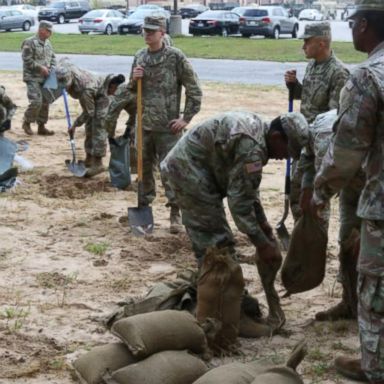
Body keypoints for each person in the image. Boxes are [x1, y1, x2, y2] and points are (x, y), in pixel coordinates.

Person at [161, 111, 309, 328]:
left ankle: (229, 301)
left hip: (204, 173)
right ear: (277, 138)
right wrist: (261, 243)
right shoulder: (252, 148)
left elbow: (247, 190)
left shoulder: (259, 134)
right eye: (288, 151)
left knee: (219, 245)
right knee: (216, 247)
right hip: (188, 173)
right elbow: (239, 205)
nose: (286, 157)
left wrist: (264, 226)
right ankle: (219, 316)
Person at [312, 2, 384, 382]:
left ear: (366, 27)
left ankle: (376, 368)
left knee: (375, 292)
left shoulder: (368, 76)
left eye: (352, 23)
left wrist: (320, 191)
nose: (351, 30)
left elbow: (346, 151)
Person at [129, 15, 202, 234]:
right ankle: (143, 208)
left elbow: (194, 89)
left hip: (168, 129)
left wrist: (185, 118)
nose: (147, 35)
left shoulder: (175, 57)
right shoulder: (140, 57)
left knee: (171, 171)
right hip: (144, 126)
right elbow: (130, 91)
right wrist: (134, 79)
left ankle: (175, 214)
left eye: (152, 31)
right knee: (142, 169)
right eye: (145, 31)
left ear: (162, 33)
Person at [298, 110, 363, 321]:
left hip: (375, 183)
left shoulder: (329, 136)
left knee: (372, 246)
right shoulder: (316, 129)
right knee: (347, 242)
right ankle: (351, 303)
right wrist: (307, 188)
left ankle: (372, 309)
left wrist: (320, 196)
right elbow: (308, 159)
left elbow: (334, 172)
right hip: (353, 185)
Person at [284, 21, 349, 222]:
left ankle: (315, 242)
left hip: (319, 146)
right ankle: (300, 235)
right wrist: (294, 87)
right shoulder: (312, 65)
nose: (303, 46)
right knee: (295, 191)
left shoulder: (338, 72)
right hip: (304, 141)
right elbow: (310, 98)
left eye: (307, 41)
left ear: (321, 43)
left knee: (316, 196)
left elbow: (331, 118)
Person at [56, 59, 126, 176]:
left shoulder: (85, 90)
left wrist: (74, 125)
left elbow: (89, 112)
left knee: (99, 125)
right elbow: (65, 60)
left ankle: (98, 164)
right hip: (94, 91)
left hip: (103, 93)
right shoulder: (65, 69)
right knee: (89, 125)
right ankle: (89, 158)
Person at [21, 20, 56, 136]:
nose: (50, 33)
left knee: (45, 102)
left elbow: (53, 58)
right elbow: (27, 60)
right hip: (32, 77)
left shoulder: (48, 43)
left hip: (45, 78)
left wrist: (52, 69)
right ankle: (27, 122)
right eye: (48, 31)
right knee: (36, 101)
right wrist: (41, 68)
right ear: (41, 30)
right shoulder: (29, 42)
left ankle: (41, 126)